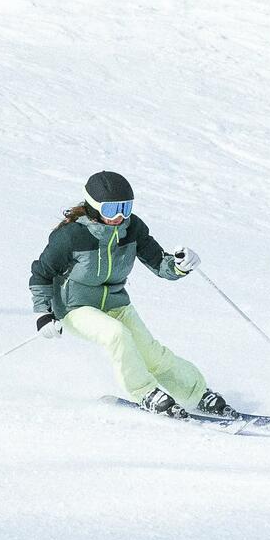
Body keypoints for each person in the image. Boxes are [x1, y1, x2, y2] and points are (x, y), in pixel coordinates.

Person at [28, 170, 232, 418]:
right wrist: (43, 314)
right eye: (112, 210)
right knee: (117, 335)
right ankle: (145, 392)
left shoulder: (132, 228)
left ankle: (197, 394)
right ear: (93, 209)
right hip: (75, 308)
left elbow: (160, 263)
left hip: (116, 304)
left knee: (152, 354)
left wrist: (179, 266)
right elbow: (41, 273)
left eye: (125, 207)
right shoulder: (71, 237)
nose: (120, 216)